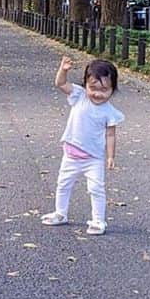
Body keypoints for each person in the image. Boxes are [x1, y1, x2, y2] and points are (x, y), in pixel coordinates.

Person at [40, 55, 123, 234]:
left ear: (112, 89)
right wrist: (63, 69)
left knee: (96, 188)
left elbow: (110, 135)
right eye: (92, 88)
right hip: (71, 154)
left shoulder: (110, 112)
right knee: (63, 184)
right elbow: (61, 84)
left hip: (93, 158)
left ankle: (98, 221)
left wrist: (110, 156)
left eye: (104, 90)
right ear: (85, 84)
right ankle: (60, 213)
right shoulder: (79, 96)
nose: (97, 93)